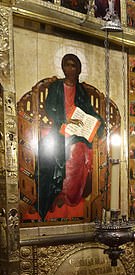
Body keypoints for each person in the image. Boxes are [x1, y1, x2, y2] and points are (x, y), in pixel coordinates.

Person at [36, 53, 104, 220]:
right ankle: (56, 199)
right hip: (60, 127)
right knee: (56, 152)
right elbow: (49, 106)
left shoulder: (80, 90)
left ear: (79, 69)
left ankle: (72, 198)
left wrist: (96, 121)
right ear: (62, 67)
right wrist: (65, 119)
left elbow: (88, 110)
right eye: (67, 64)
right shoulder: (56, 86)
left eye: (74, 65)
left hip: (77, 131)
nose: (70, 69)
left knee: (79, 149)